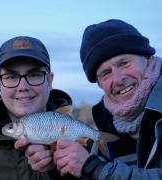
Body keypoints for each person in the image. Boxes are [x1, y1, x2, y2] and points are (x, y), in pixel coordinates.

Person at [52, 19, 162, 179]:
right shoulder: (102, 132)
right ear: (99, 84)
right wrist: (60, 167)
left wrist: (98, 169)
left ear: (147, 58)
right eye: (106, 73)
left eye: (124, 63)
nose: (118, 79)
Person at [0, 36, 78, 180]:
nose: (23, 87)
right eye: (11, 77)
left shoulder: (79, 140)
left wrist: (60, 172)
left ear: (50, 80)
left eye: (34, 75)